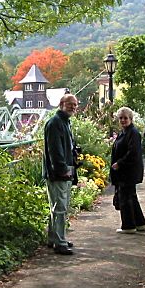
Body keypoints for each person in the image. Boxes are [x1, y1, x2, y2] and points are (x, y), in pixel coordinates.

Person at [42, 94, 79, 255]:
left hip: (63, 171)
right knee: (60, 208)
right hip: (58, 173)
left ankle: (54, 238)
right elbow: (55, 150)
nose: (73, 107)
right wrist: (63, 169)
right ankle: (60, 242)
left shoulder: (63, 122)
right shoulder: (55, 123)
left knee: (57, 206)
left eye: (75, 105)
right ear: (61, 104)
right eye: (70, 104)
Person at [110, 107, 145, 233]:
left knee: (125, 197)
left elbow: (133, 153)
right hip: (125, 171)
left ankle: (128, 226)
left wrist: (119, 163)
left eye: (125, 118)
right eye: (121, 118)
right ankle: (139, 223)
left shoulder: (133, 133)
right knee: (131, 196)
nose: (123, 120)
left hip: (128, 171)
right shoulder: (124, 132)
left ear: (130, 119)